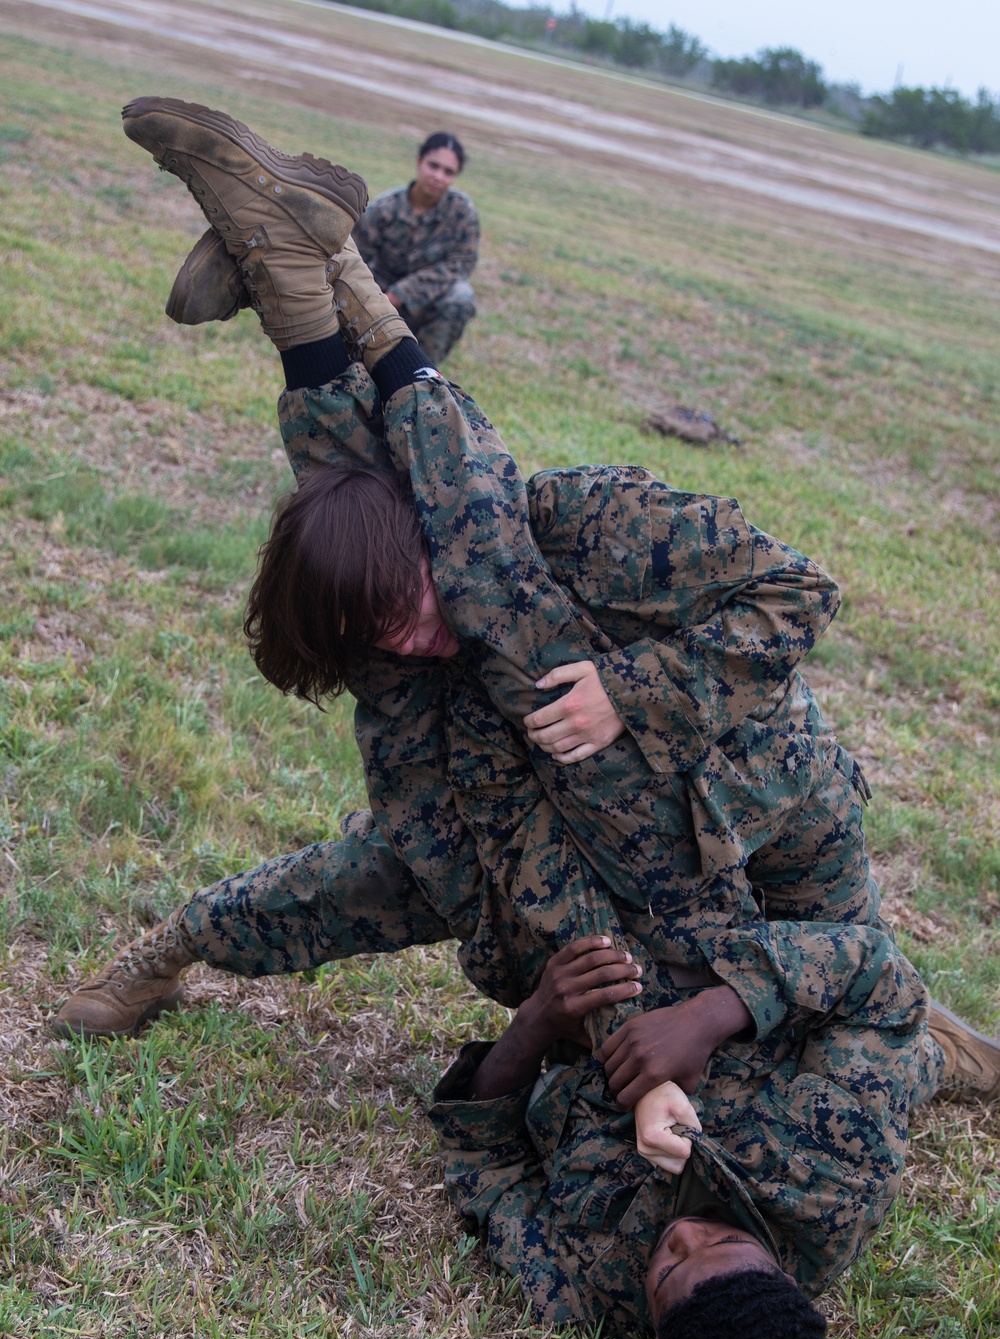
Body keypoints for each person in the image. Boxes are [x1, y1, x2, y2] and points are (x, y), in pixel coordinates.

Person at [52, 100, 1000, 1114]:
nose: (403, 637)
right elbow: (369, 539)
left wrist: (629, 692)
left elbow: (798, 593)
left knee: (840, 993)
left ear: (430, 525)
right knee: (361, 602)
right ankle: (294, 261)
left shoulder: (586, 523)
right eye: (374, 633)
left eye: (410, 598)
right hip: (536, 824)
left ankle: (301, 263)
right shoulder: (404, 640)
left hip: (761, 801)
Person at [429, 921, 973, 1339]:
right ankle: (943, 1053)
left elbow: (488, 1166)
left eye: (669, 1272)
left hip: (584, 1019)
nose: (684, 1237)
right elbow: (875, 976)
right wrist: (710, 1015)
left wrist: (535, 1020)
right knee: (905, 1059)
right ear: (785, 1279)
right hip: (737, 949)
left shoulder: (588, 1291)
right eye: (723, 1240)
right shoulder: (836, 1173)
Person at [350, 130, 478, 365]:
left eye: (448, 172)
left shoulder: (461, 213)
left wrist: (402, 294)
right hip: (376, 300)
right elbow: (354, 260)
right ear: (419, 162)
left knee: (461, 297)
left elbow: (460, 264)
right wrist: (377, 300)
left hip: (426, 301)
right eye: (433, 166)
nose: (438, 176)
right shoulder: (383, 209)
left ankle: (423, 372)